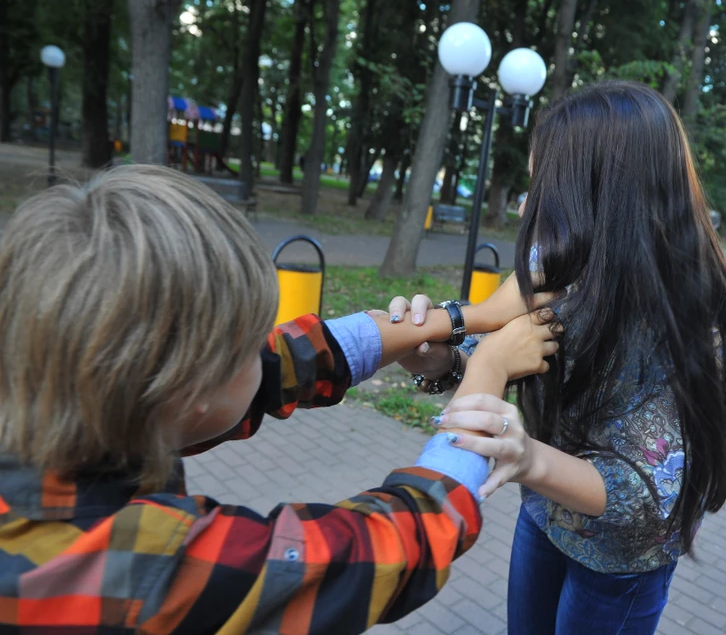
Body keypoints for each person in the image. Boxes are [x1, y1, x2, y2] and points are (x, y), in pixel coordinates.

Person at [0, 166, 561, 633]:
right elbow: (393, 543)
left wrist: (468, 318)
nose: (267, 342)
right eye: (248, 340)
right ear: (187, 392)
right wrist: (486, 369)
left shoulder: (61, 405)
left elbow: (283, 362)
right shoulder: (139, 570)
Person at [388, 81, 726, 634]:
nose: (532, 203)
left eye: (546, 184)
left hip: (621, 558)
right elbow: (512, 350)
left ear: (599, 194)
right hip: (547, 515)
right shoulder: (570, 265)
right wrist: (441, 362)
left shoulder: (692, 317)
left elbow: (647, 493)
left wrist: (527, 457)